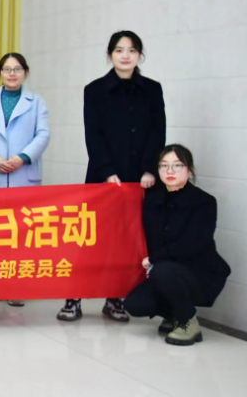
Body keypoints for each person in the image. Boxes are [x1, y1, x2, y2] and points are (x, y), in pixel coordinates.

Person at [60, 30, 166, 323]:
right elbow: (93, 134)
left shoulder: (152, 89)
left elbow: (158, 131)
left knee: (126, 241)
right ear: (110, 55)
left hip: (140, 178)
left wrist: (149, 168)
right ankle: (73, 298)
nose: (125, 55)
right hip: (103, 175)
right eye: (119, 50)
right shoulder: (94, 90)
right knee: (90, 238)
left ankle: (115, 298)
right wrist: (107, 171)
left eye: (132, 50)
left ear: (139, 55)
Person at [124, 145, 230, 346]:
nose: (169, 171)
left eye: (177, 165)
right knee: (135, 304)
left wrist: (153, 259)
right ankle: (173, 313)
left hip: (198, 272)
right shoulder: (152, 199)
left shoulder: (204, 202)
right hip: (164, 271)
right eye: (164, 166)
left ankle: (187, 322)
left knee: (163, 271)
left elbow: (194, 243)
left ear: (189, 169)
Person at [0, 53, 50, 188]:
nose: (12, 73)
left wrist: (23, 157)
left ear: (26, 73)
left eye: (17, 69)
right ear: (0, 73)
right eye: (7, 69)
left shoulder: (37, 102)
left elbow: (43, 134)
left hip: (25, 174)